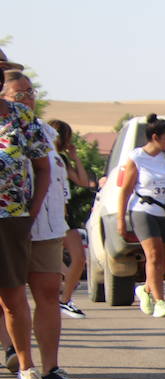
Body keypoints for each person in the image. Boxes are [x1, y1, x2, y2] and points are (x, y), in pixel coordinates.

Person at [0, 72, 59, 379]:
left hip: (10, 218)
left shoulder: (20, 117)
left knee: (12, 298)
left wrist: (31, 211)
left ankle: (27, 368)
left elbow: (43, 168)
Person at [117, 114, 165, 318]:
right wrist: (121, 219)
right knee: (154, 256)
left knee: (164, 259)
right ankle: (160, 301)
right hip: (144, 211)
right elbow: (126, 190)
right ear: (155, 137)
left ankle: (145, 289)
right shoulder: (137, 157)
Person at [48, 120, 96, 319]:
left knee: (80, 258)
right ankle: (63, 288)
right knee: (50, 258)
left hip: (66, 214)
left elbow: (84, 182)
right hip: (48, 214)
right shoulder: (39, 156)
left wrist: (75, 157)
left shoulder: (62, 160)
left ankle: (64, 299)